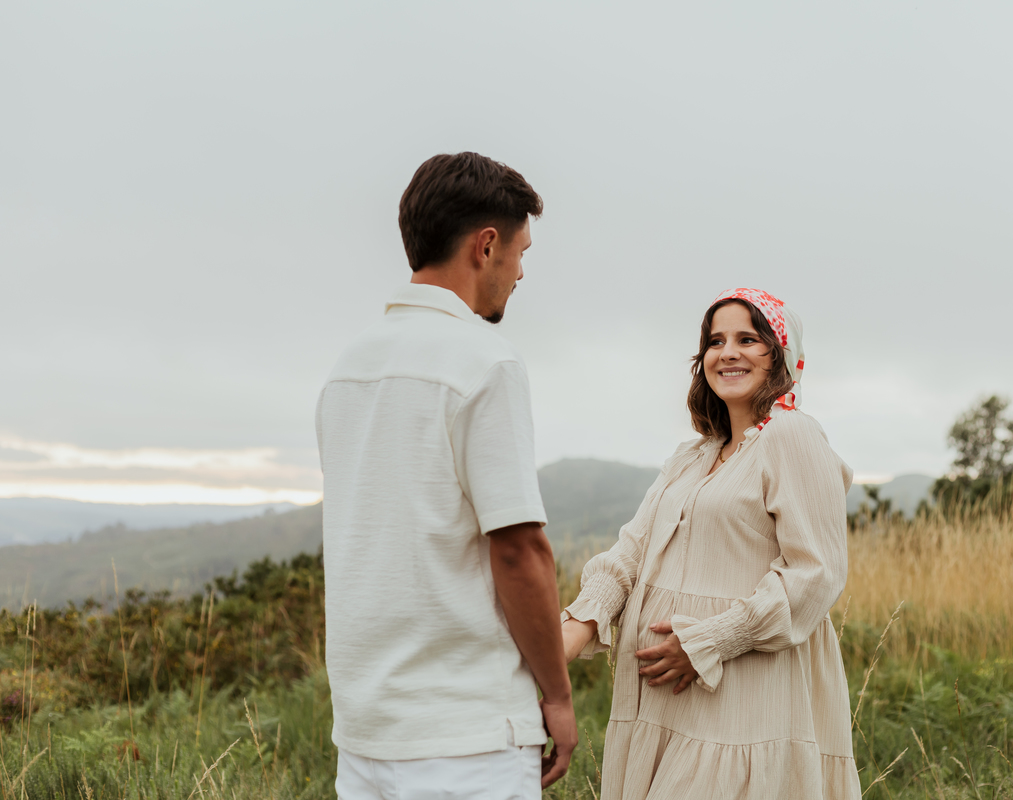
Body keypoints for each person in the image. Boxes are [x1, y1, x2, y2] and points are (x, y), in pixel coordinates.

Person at [316, 152, 576, 800]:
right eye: (521, 252)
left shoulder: (347, 368)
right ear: (486, 246)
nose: (520, 274)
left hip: (365, 735)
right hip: (469, 739)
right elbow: (519, 552)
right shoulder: (485, 361)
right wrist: (559, 698)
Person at [561, 288, 861, 800]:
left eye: (748, 338)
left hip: (741, 695)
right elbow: (630, 552)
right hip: (663, 700)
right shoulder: (693, 456)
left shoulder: (793, 436)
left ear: (780, 354)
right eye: (715, 341)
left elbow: (817, 574)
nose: (728, 352)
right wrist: (565, 636)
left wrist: (707, 642)